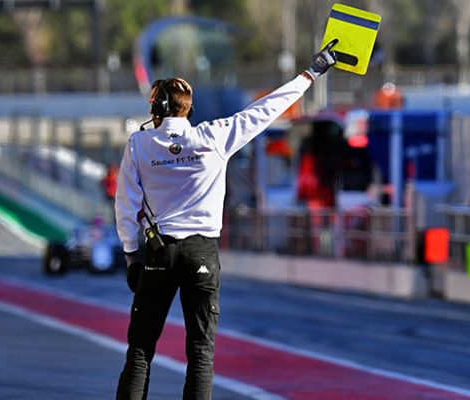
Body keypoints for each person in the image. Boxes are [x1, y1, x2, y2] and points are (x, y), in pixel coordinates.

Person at [114, 39, 339, 400]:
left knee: (140, 350)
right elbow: (266, 110)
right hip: (202, 253)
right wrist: (311, 73)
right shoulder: (214, 136)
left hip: (160, 252)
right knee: (200, 354)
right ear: (188, 109)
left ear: (156, 108)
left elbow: (126, 204)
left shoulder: (139, 145)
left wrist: (130, 254)